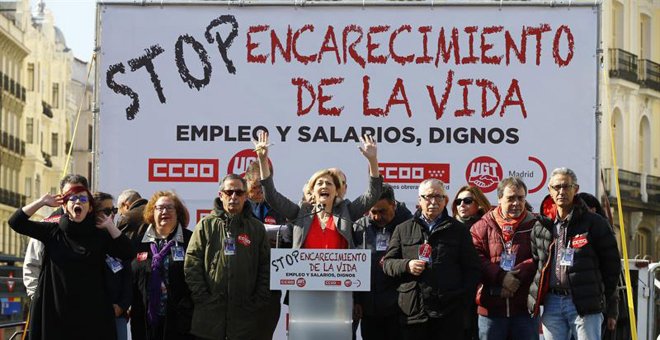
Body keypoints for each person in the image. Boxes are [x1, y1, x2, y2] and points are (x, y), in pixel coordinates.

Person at [8, 183, 134, 339]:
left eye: (83, 199)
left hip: (91, 316)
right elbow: (16, 222)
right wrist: (41, 202)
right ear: (66, 207)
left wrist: (110, 226)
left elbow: (128, 252)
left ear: (90, 208)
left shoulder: (99, 236)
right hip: (56, 313)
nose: (78, 202)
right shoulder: (53, 231)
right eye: (73, 199)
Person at [528, 168, 621, 340]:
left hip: (584, 303)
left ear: (575, 189)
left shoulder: (595, 223)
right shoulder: (541, 225)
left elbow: (612, 266)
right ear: (549, 190)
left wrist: (602, 297)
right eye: (556, 187)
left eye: (566, 186)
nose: (561, 191)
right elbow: (537, 262)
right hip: (552, 303)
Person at [382, 178, 481, 340]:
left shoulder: (459, 230)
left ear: (445, 201)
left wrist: (460, 299)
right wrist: (406, 265)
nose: (433, 201)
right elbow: (387, 263)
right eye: (428, 197)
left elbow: (473, 269)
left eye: (438, 196)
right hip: (413, 313)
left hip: (448, 314)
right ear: (419, 200)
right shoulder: (403, 229)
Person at [254, 131, 382, 249]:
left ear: (337, 191)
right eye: (319, 183)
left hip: (340, 273)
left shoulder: (346, 211)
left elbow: (372, 195)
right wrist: (263, 160)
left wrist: (372, 160)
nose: (324, 186)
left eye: (329, 183)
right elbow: (271, 196)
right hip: (303, 273)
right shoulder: (301, 213)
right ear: (312, 191)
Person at [184, 174, 270, 340]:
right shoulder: (205, 225)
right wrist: (203, 297)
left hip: (245, 317)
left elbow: (265, 267)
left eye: (239, 192)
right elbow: (192, 263)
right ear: (220, 195)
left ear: (246, 196)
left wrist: (256, 301)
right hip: (210, 317)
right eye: (229, 192)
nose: (233, 197)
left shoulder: (256, 228)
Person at [470, 177, 539, 340]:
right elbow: (476, 258)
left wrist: (515, 277)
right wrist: (502, 278)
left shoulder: (536, 225)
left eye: (520, 198)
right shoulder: (481, 226)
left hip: (525, 309)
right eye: (510, 198)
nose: (516, 203)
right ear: (500, 199)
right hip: (491, 310)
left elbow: (541, 257)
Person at [130, 191, 194, 340]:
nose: (164, 211)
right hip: (145, 321)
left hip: (180, 322)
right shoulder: (139, 243)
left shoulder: (190, 240)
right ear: (152, 213)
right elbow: (131, 277)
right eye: (159, 208)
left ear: (178, 213)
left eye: (169, 208)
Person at [354, 184, 412, 340]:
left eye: (383, 211)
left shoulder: (410, 226)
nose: (378, 217)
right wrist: (357, 300)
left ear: (393, 205)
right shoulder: (359, 227)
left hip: (400, 310)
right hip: (369, 310)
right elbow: (353, 268)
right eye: (373, 212)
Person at [22, 174, 89, 299]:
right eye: (70, 196)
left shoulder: (95, 227)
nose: (76, 201)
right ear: (61, 197)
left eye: (80, 196)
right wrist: (36, 297)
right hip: (51, 301)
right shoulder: (47, 225)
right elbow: (32, 264)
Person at [244, 161, 287, 340]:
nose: (259, 192)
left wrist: (279, 240)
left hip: (270, 279)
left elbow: (288, 241)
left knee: (265, 330)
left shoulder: (278, 206)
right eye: (254, 187)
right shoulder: (238, 206)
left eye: (263, 187)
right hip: (245, 279)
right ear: (246, 182)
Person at [95, 192, 133, 340]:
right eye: (106, 211)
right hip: (92, 314)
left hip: (117, 314)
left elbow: (128, 276)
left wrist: (122, 305)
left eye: (114, 211)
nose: (111, 215)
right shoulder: (86, 239)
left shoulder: (117, 238)